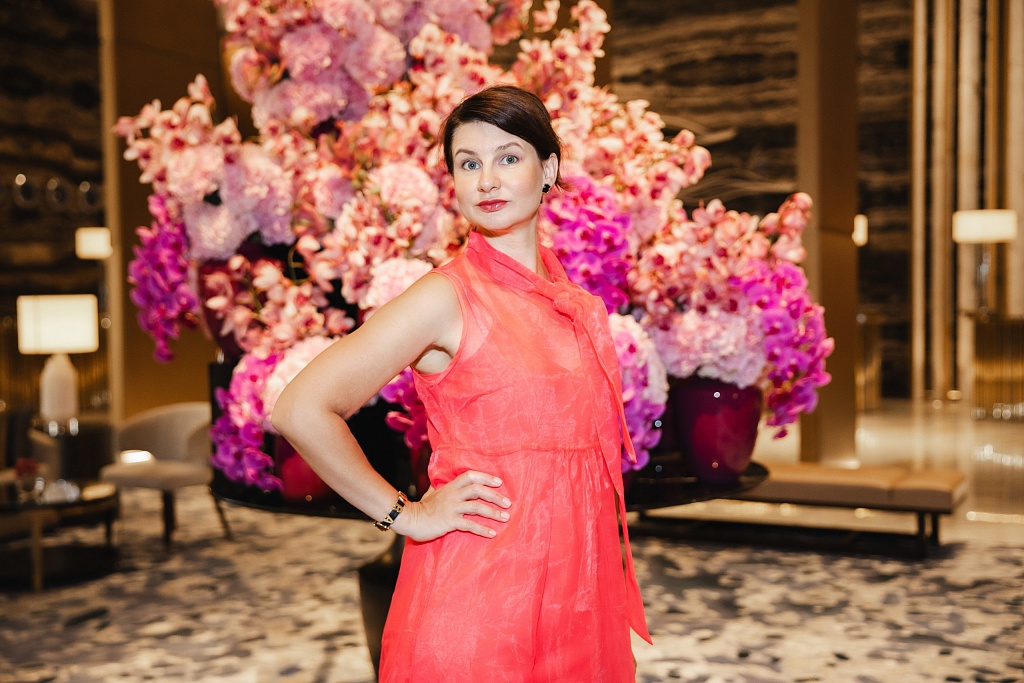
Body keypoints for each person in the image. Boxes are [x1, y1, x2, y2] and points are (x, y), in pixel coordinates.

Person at [271, 84, 651, 681]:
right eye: (468, 164)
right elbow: (301, 408)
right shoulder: (445, 297)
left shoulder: (575, 305)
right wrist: (404, 516)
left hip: (579, 607)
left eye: (508, 157)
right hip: (478, 607)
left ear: (549, 169)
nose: (487, 181)